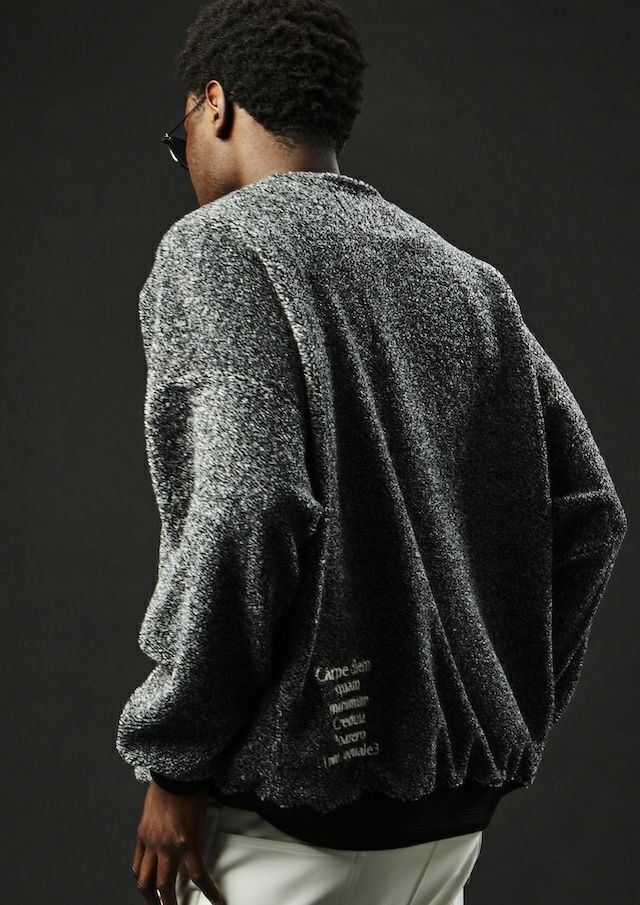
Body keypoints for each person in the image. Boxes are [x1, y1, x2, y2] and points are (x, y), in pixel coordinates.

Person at [115, 1, 628, 903]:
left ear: (215, 104)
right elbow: (589, 510)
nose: (184, 153)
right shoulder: (467, 279)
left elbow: (248, 502)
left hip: (287, 828)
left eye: (180, 131)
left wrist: (176, 758)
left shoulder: (218, 246)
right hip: (445, 830)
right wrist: (495, 709)